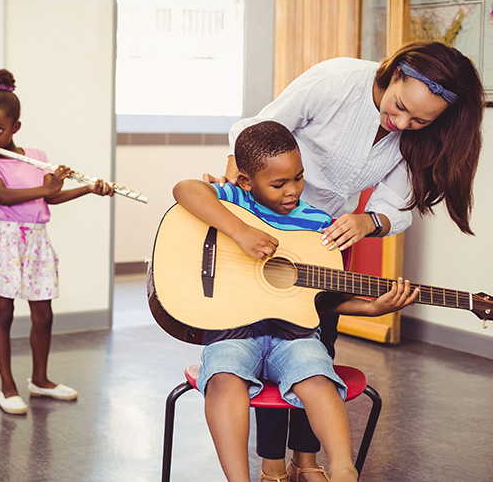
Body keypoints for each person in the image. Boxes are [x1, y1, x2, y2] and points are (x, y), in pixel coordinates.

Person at [208, 41, 484, 480]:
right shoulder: (336, 81)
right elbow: (260, 130)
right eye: (399, 106)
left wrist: (367, 221)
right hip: (265, 225)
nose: (401, 123)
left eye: (419, 120)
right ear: (394, 72)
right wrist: (235, 206)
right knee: (263, 336)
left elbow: (397, 206)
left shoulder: (416, 136)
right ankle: (272, 465)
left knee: (315, 349)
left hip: (326, 239)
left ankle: (306, 459)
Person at [175, 121, 419, 482]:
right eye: (279, 183)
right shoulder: (233, 200)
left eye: (299, 178)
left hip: (295, 336)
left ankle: (342, 470)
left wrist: (370, 308)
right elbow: (184, 189)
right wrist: (240, 232)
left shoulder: (317, 223)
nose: (292, 191)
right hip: (234, 331)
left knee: (317, 374)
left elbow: (324, 298)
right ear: (246, 181)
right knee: (225, 376)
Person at [0, 69, 114, 415]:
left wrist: (88, 188)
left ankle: (41, 380)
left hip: (35, 242)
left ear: (16, 127)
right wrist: (48, 187)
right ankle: (7, 386)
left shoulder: (35, 154)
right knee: (3, 313)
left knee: (44, 316)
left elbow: (49, 200)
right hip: (3, 240)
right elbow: (4, 197)